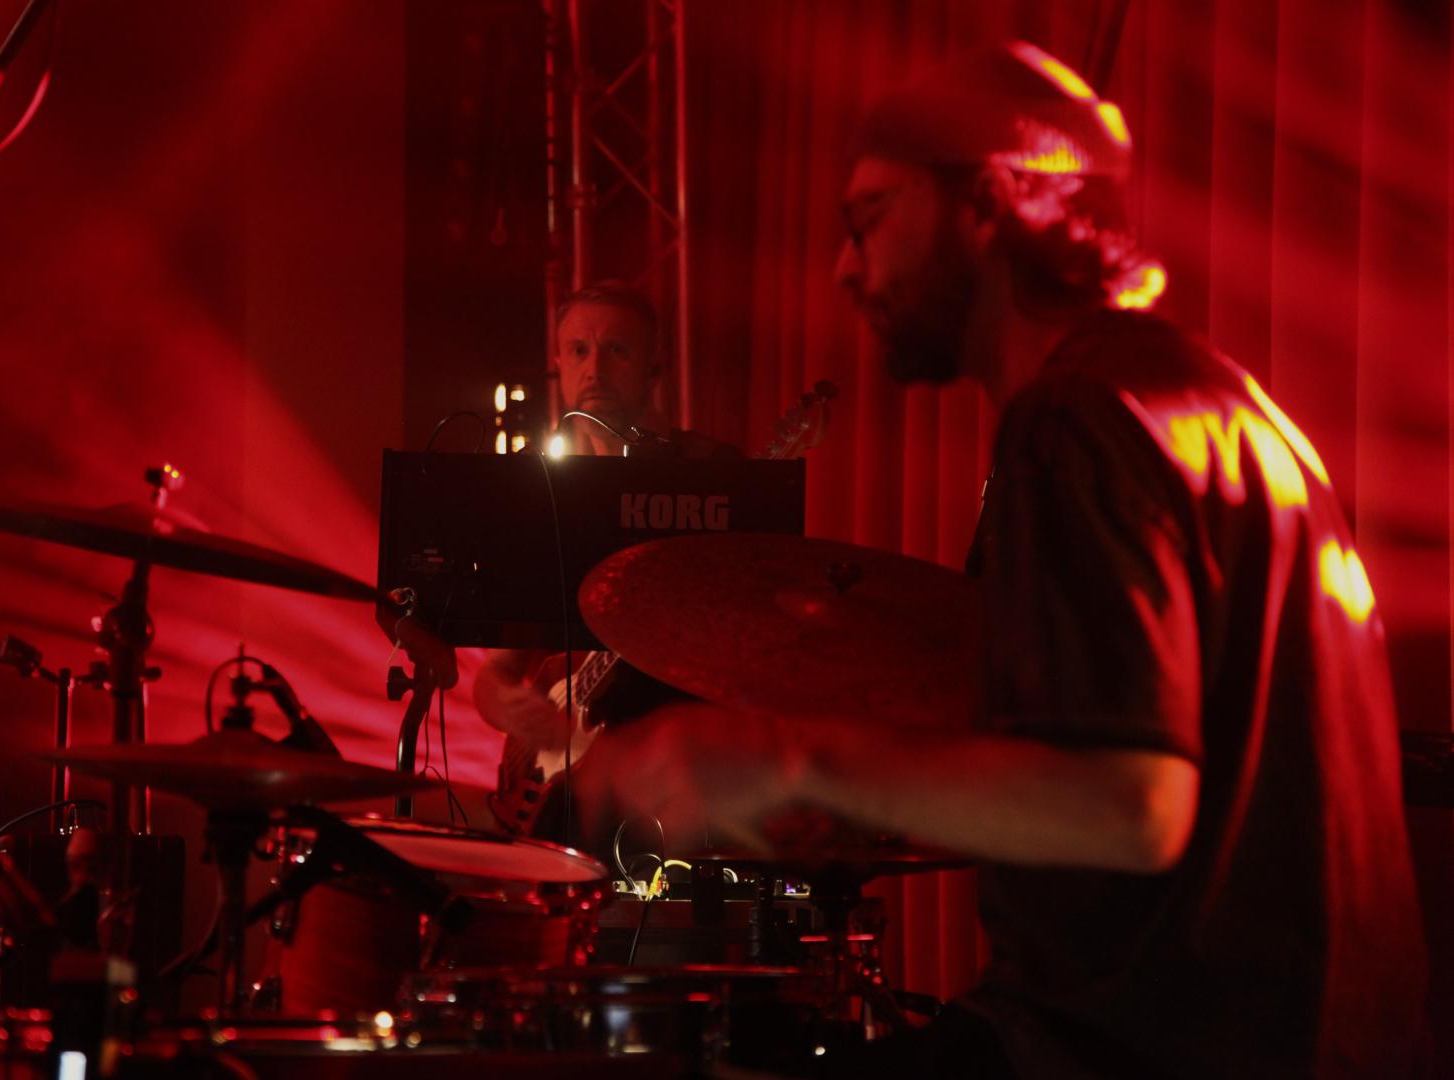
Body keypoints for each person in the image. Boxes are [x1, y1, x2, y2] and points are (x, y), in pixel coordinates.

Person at [579, 42, 1427, 1078]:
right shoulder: (1212, 403)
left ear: (986, 204)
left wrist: (782, 757)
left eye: (870, 217)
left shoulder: (1075, 418)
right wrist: (856, 799)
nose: (846, 268)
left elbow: (1130, 806)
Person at [477, 282, 738, 840]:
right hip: (563, 809)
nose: (594, 369)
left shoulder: (709, 472)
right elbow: (494, 675)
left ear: (653, 368)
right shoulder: (540, 494)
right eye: (579, 350)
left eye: (617, 350)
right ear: (559, 365)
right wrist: (514, 711)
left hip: (678, 793)